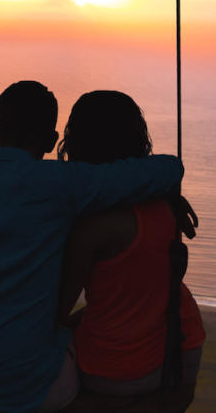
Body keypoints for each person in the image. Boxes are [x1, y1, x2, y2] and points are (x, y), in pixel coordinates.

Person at [0, 80, 183, 413]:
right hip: (26, 390)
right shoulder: (60, 185)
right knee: (89, 336)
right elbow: (168, 169)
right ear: (51, 141)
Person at [56, 90, 205, 395]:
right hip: (183, 351)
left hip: (116, 371)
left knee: (39, 338)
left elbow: (58, 307)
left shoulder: (91, 225)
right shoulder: (165, 201)